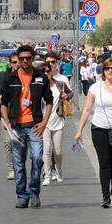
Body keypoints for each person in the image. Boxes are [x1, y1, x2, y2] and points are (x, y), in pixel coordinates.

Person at [0, 45, 53, 209]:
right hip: (16, 126)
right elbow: (3, 103)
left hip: (35, 126)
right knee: (18, 164)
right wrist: (7, 124)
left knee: (36, 159)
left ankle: (34, 192)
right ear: (17, 60)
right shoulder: (9, 79)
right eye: (21, 58)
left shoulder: (41, 77)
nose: (25, 61)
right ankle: (22, 196)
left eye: (28, 58)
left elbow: (49, 101)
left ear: (33, 58)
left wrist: (44, 123)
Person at [74, 57, 112, 208]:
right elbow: (87, 109)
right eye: (107, 68)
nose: (110, 70)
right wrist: (79, 130)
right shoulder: (95, 88)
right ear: (103, 71)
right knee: (104, 163)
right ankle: (105, 196)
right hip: (99, 129)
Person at [40, 54, 72, 185]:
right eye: (45, 70)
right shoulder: (39, 85)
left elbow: (70, 93)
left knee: (57, 151)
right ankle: (47, 174)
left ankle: (58, 169)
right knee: (47, 150)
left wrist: (66, 95)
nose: (47, 71)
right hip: (44, 122)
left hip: (58, 120)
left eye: (52, 64)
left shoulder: (61, 82)